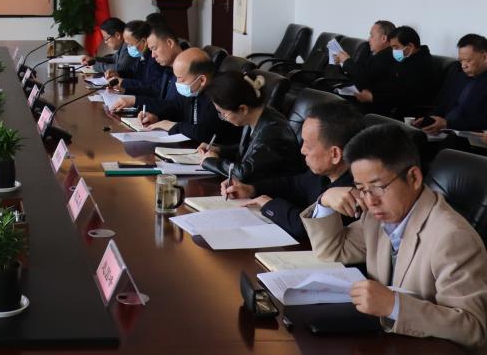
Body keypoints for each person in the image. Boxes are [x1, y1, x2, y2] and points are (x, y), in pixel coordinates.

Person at [302, 124, 487, 348]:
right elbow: (333, 250)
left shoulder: (453, 238)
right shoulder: (376, 218)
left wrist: (395, 306)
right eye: (361, 188)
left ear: (414, 178)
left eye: (378, 187)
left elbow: (474, 329)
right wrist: (325, 201)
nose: (370, 201)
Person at [223, 101, 362, 241]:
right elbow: (293, 184)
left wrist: (268, 204)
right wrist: (251, 189)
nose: (302, 150)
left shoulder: (352, 192)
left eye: (309, 146)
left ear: (335, 154)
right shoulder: (324, 173)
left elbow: (306, 228)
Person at [198, 71, 305, 183]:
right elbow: (250, 151)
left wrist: (211, 161)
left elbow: (244, 173)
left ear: (243, 109)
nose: (223, 117)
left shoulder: (274, 131)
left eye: (223, 113)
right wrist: (218, 150)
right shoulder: (256, 115)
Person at [134, 48, 237, 144]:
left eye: (181, 79)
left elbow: (205, 133)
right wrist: (157, 117)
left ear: (202, 80)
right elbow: (176, 107)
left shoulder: (219, 95)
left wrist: (173, 126)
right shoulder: (195, 89)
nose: (177, 83)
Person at [352, 26, 437, 119]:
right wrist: (372, 91)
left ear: (410, 47)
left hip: (406, 113)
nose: (393, 51)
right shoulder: (407, 58)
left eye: (396, 47)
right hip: (389, 104)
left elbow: (405, 95)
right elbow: (391, 83)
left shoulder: (422, 65)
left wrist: (373, 97)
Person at [416, 33, 487, 135]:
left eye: (468, 61)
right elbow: (444, 104)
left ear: (484, 56)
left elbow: (483, 121)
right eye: (461, 61)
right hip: (444, 130)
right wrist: (429, 119)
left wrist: (448, 124)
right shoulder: (459, 75)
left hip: (468, 136)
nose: (463, 66)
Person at [111, 21, 179, 112]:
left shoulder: (184, 70)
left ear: (170, 43)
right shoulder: (168, 68)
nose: (153, 55)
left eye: (154, 48)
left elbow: (174, 108)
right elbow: (155, 90)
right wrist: (125, 91)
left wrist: (135, 101)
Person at [335, 20, 397, 90]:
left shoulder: (388, 56)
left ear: (384, 38)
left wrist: (346, 61)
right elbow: (358, 74)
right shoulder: (369, 51)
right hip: (352, 89)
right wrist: (342, 63)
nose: (368, 39)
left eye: (372, 36)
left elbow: (365, 78)